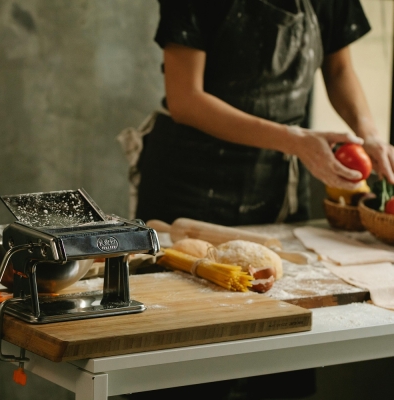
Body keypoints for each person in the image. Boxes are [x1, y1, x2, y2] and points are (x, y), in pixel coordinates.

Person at [124, 1, 394, 399]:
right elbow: (185, 98)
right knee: (185, 363)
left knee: (281, 357)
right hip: (192, 181)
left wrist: (368, 133)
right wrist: (294, 140)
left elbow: (338, 69)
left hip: (276, 180)